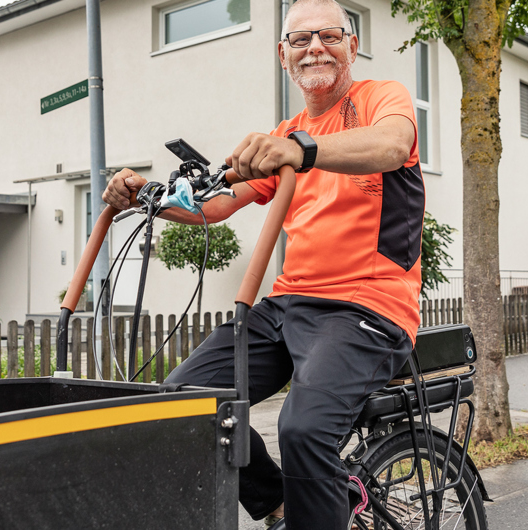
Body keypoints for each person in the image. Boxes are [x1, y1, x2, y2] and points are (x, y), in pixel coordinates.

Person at [101, 0, 424, 528]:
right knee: (182, 401)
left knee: (303, 429)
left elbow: (393, 143)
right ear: (283, 55)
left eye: (328, 36)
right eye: (300, 40)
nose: (314, 47)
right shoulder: (287, 130)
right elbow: (218, 202)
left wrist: (302, 148)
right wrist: (144, 197)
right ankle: (280, 504)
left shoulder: (378, 99)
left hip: (368, 306)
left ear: (352, 46)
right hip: (289, 303)